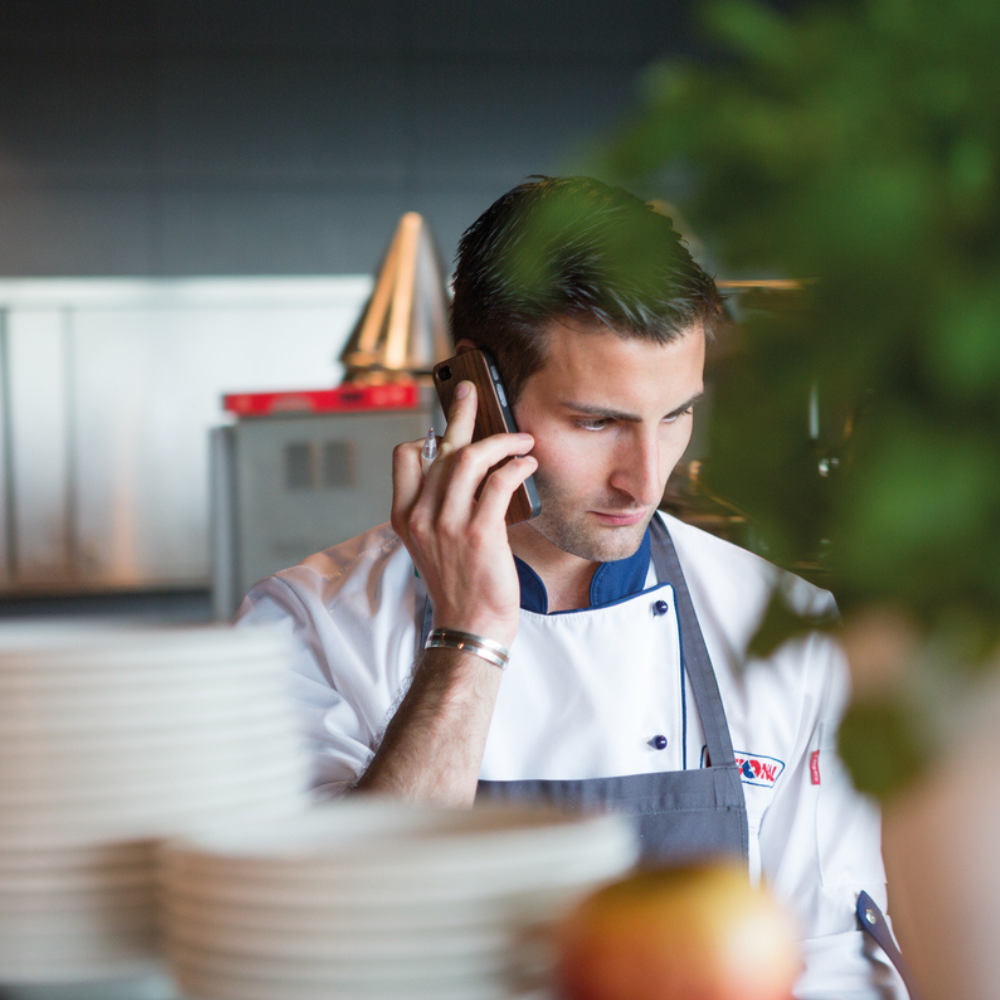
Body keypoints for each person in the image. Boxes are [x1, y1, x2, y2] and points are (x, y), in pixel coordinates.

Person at [236, 176, 907, 999]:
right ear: (477, 396)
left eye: (676, 416)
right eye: (597, 422)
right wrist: (470, 636)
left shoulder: (784, 621)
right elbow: (315, 951)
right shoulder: (306, 627)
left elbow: (829, 957)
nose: (647, 480)